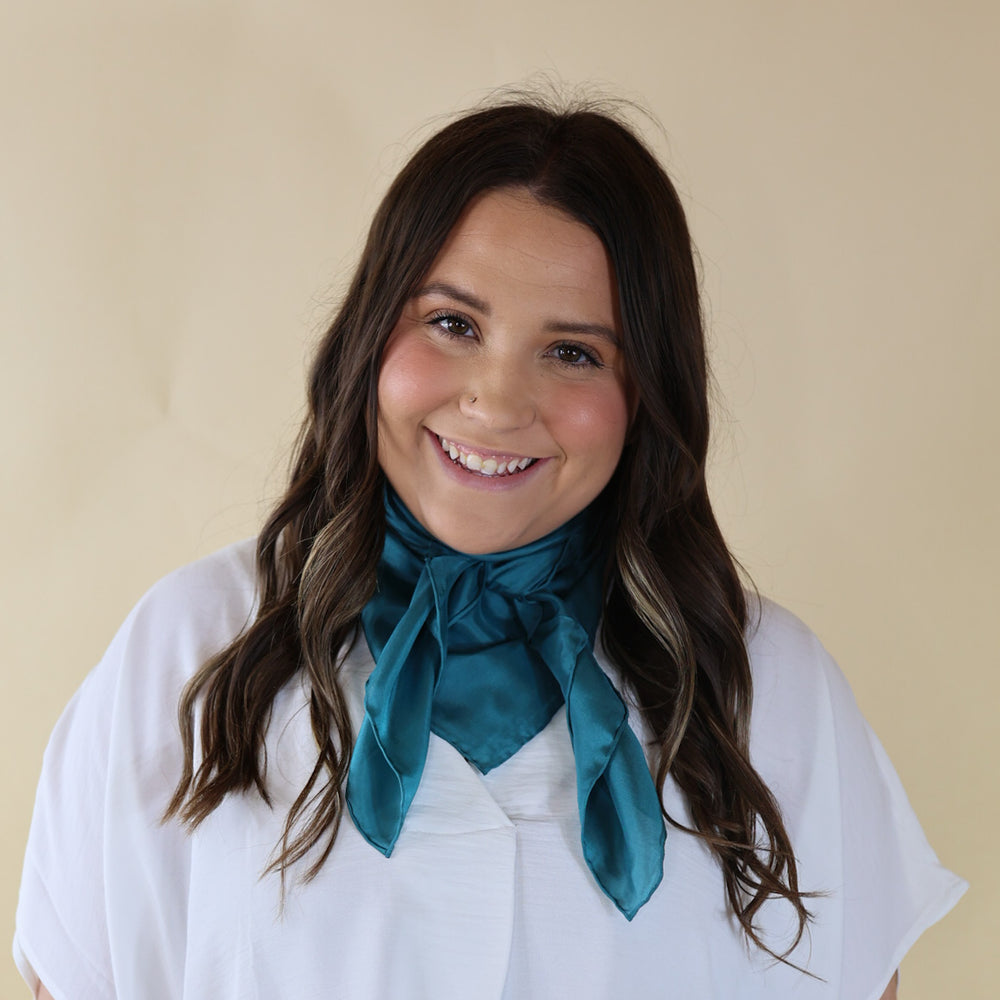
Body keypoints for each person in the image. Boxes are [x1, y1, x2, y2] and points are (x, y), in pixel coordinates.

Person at [14, 95, 965, 1000]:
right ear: (370, 337)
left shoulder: (770, 684)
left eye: (575, 352)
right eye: (453, 324)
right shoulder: (188, 649)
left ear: (646, 395)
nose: (498, 403)